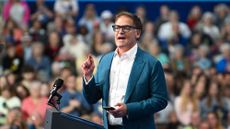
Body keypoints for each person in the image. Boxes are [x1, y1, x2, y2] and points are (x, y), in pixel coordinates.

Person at [81, 11, 168, 129]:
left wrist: (129, 109)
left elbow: (160, 100)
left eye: (126, 28)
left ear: (137, 33)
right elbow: (92, 98)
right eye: (117, 27)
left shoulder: (151, 64)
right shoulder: (105, 60)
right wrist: (88, 76)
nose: (120, 31)